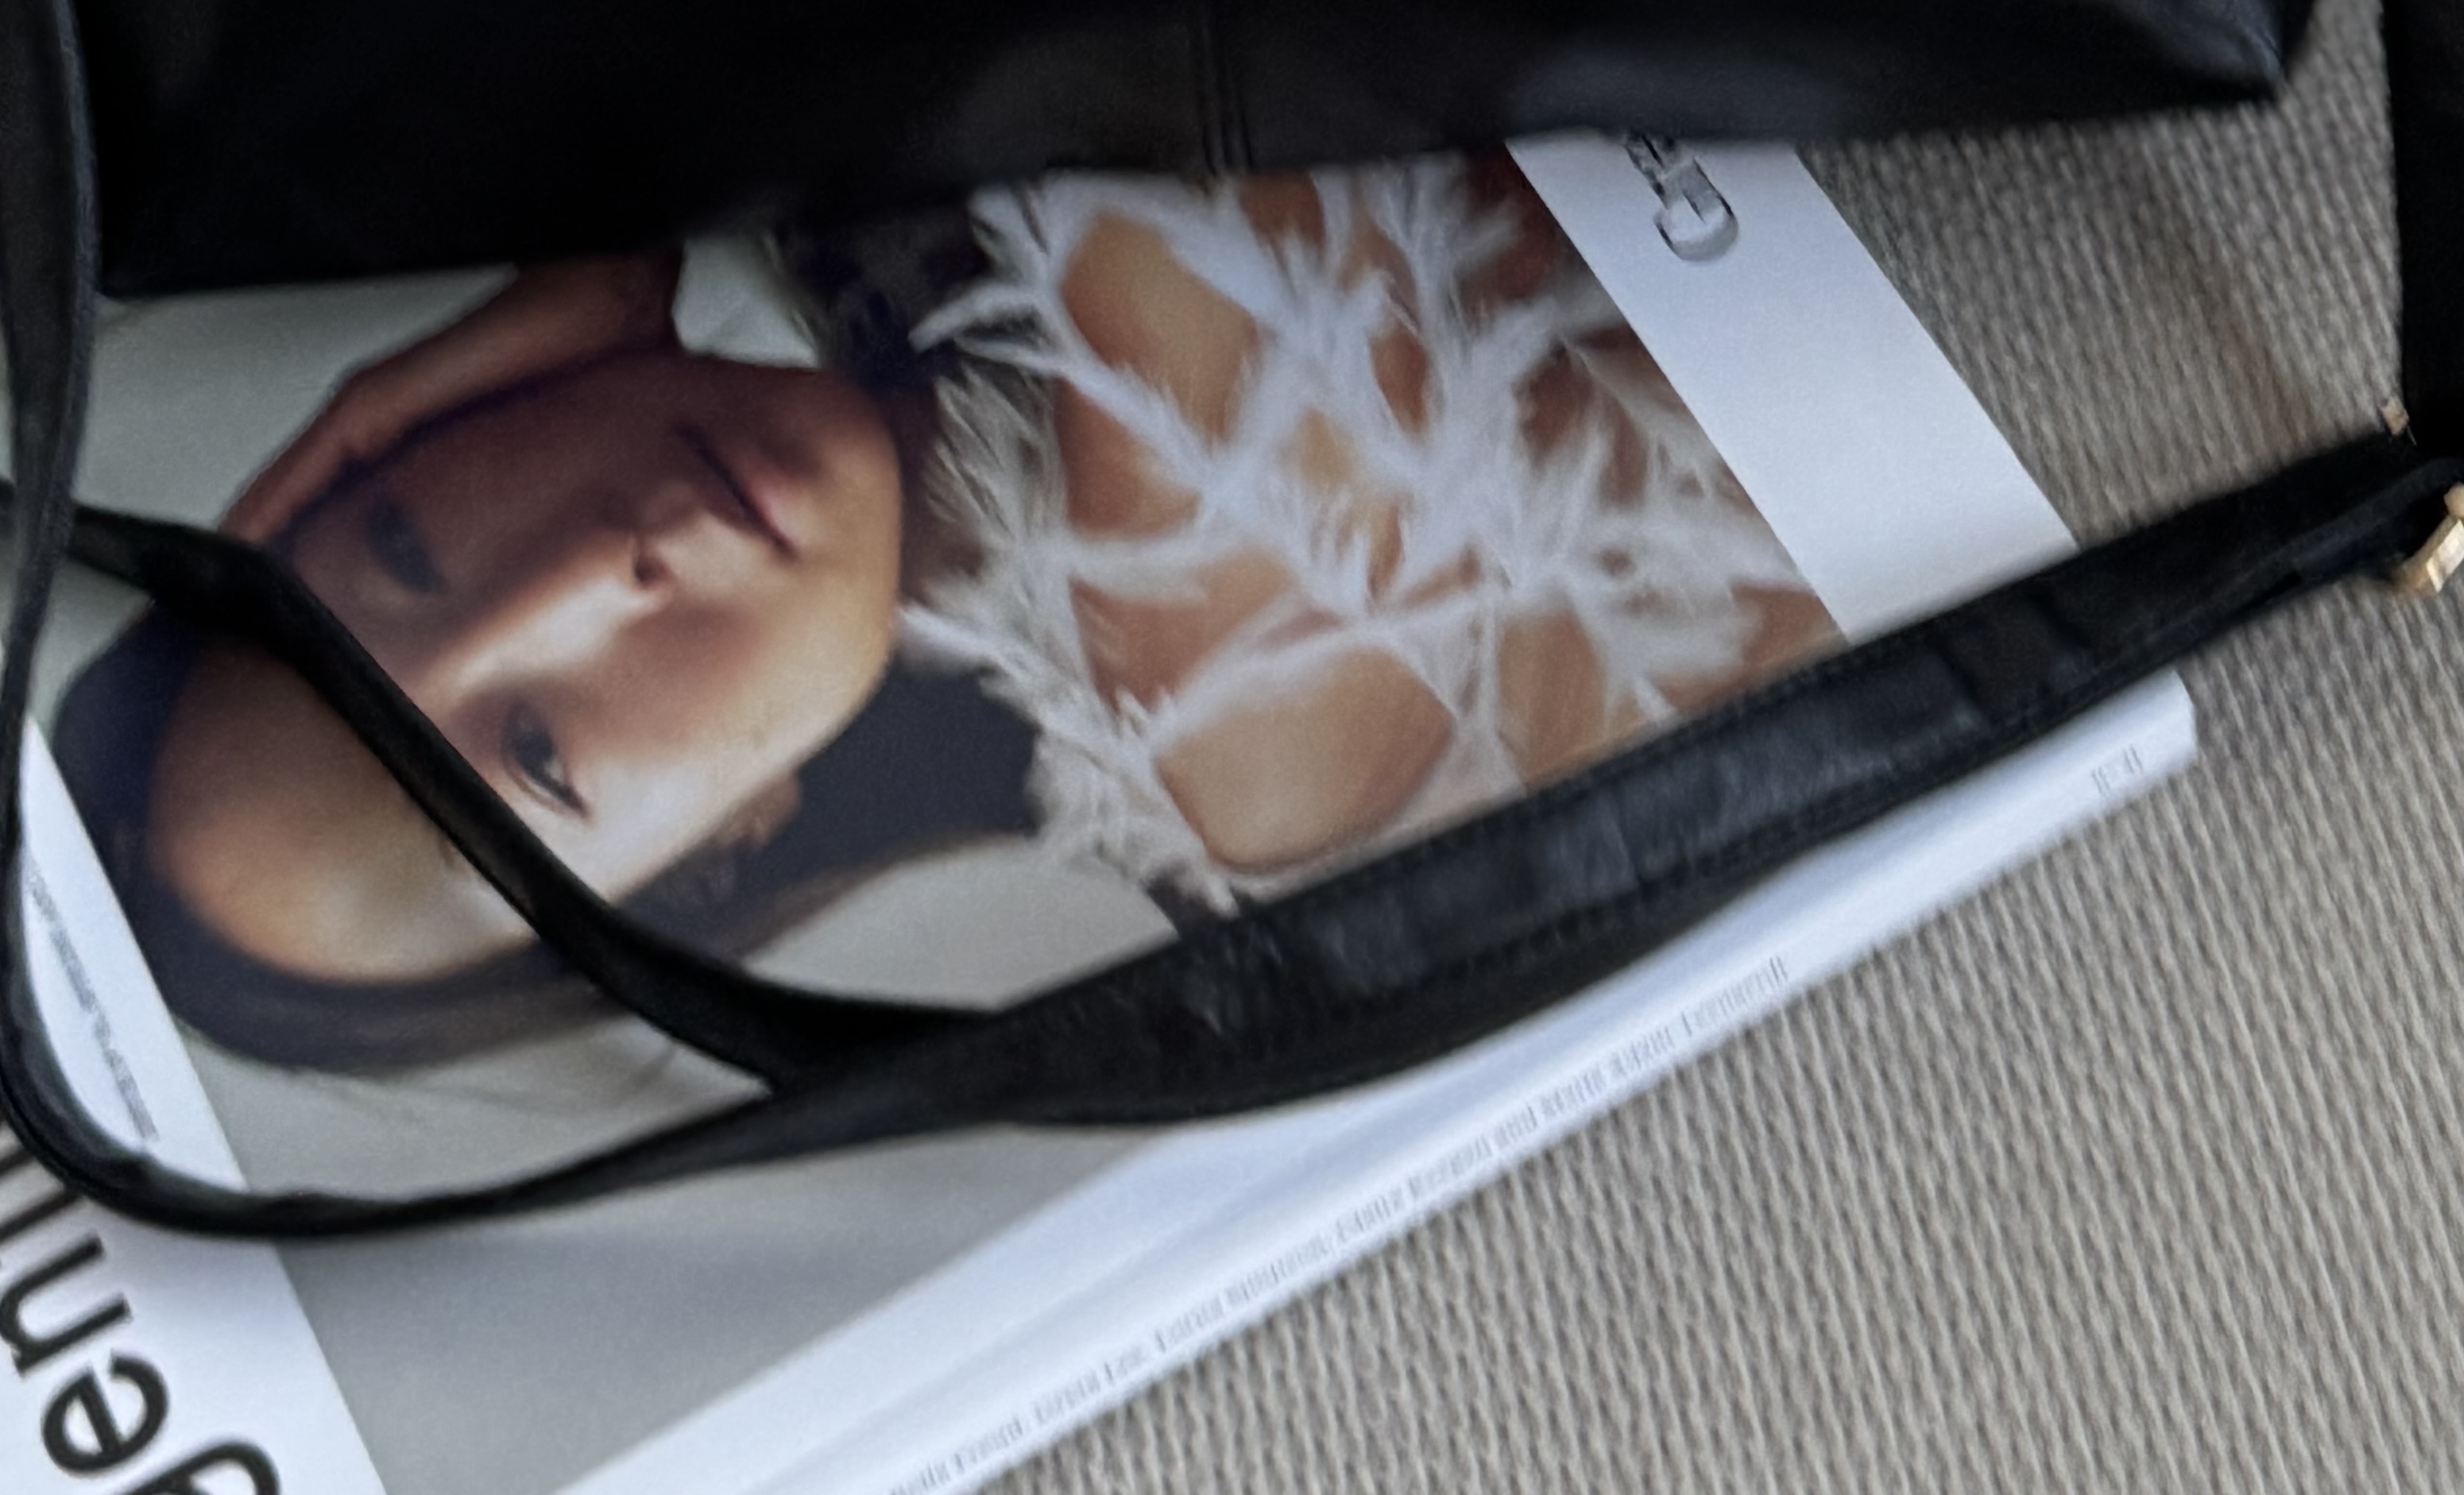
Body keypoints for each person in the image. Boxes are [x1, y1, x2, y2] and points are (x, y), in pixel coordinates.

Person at [56, 158, 1831, 1072]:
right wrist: (621, 180)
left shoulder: (888, 252)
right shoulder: (1242, 747)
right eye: (536, 755)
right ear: (721, 853)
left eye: (405, 547)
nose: (598, 570)